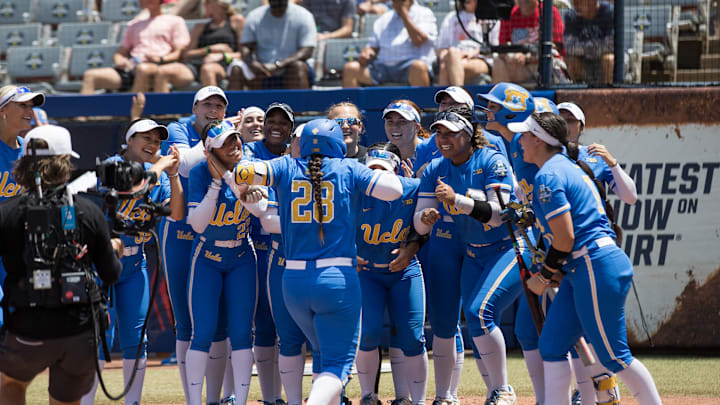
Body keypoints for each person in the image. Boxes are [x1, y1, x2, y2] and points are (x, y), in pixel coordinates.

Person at [229, 118, 403, 405]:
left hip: (294, 282)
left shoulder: (284, 166)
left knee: (323, 352)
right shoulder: (348, 168)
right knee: (339, 365)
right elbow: (393, 190)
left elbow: (244, 172)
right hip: (336, 279)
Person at [509, 112, 662, 405]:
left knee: (614, 355)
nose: (521, 141)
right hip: (584, 265)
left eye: (526, 135)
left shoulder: (548, 175)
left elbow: (565, 238)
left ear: (540, 141)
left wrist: (544, 276)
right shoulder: (564, 165)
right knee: (552, 345)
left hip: (594, 263)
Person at [414, 104, 528, 404]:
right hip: (473, 253)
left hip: (508, 249)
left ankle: (504, 390)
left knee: (480, 312)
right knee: (473, 319)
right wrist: (424, 218)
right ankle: (490, 393)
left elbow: (498, 215)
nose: (442, 138)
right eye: (438, 132)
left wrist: (458, 200)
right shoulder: (437, 168)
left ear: (468, 133)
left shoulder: (491, 159)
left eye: (450, 132)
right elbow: (419, 220)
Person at [0, 125, 122, 405]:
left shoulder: (7, 214)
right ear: (64, 163)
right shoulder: (88, 211)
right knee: (66, 398)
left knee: (11, 383)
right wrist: (114, 249)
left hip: (26, 329)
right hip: (79, 330)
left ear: (23, 165)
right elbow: (111, 274)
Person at [82, 119, 184, 405]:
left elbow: (176, 214)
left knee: (136, 338)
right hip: (100, 261)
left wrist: (173, 176)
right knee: (101, 334)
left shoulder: (160, 174)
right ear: (129, 140)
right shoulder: (113, 164)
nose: (153, 144)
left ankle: (133, 402)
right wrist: (162, 166)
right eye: (146, 137)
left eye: (157, 139)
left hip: (135, 261)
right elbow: (131, 189)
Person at [159, 85, 236, 404]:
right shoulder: (179, 127)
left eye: (220, 105)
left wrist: (231, 134)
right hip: (179, 231)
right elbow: (186, 163)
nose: (213, 110)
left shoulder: (228, 132)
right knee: (185, 321)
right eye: (207, 104)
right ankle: (192, 396)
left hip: (215, 230)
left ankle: (222, 397)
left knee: (222, 319)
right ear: (195, 107)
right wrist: (228, 133)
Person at [184, 123, 266, 405]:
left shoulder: (251, 168)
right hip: (207, 256)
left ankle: (240, 401)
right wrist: (217, 183)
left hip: (242, 255)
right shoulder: (199, 173)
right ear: (210, 151)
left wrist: (234, 182)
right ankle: (195, 401)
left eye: (234, 138)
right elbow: (197, 224)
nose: (234, 145)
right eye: (225, 142)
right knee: (203, 332)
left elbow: (261, 211)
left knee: (242, 332)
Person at [355, 142, 428, 405]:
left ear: (396, 172)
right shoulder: (354, 192)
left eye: (384, 172)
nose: (379, 178)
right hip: (367, 273)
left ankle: (415, 400)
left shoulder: (413, 189)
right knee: (367, 333)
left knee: (412, 334)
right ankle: (368, 395)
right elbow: (333, 227)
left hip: (404, 271)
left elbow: (424, 229)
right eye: (373, 171)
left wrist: (413, 246)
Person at [242, 101, 295, 405]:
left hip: (290, 249)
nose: (276, 126)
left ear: (291, 127)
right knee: (264, 322)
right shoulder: (250, 155)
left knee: (293, 326)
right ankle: (272, 397)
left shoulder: (297, 157)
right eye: (270, 120)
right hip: (255, 249)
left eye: (283, 121)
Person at [0, 85, 45, 330]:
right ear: (3, 110)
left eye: (31, 106)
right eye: (22, 105)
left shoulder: (30, 153)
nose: (30, 111)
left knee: (20, 325)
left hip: (18, 253)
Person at [80, 0, 191, 94]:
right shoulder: (133, 24)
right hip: (131, 68)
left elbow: (179, 53)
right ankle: (82, 117)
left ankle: (133, 114)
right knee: (90, 75)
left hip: (160, 65)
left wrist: (160, 59)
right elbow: (121, 52)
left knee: (143, 69)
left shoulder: (176, 21)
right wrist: (120, 61)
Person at [342, 0, 437, 87]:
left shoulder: (424, 13)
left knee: (419, 67)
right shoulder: (384, 18)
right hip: (383, 67)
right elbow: (373, 46)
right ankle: (350, 105)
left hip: (410, 67)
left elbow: (418, 40)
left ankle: (422, 105)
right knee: (351, 68)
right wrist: (367, 52)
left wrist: (403, 13)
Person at [228, 0, 317, 90]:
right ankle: (239, 103)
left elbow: (307, 50)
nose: (277, 4)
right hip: (262, 70)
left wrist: (279, 65)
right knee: (236, 69)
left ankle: (298, 103)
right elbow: (245, 47)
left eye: (280, 2)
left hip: (290, 68)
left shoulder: (304, 15)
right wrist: (254, 64)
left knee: (298, 67)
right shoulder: (254, 16)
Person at [164, 0, 245, 88]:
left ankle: (212, 101)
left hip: (222, 65)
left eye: (207, 2)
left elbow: (244, 54)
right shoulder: (199, 27)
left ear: (218, 3)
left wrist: (223, 56)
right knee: (163, 72)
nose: (203, 4)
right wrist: (209, 49)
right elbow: (186, 55)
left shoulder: (236, 21)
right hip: (194, 67)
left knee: (207, 69)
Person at [493, 0, 565, 84]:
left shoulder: (550, 11)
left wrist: (527, 58)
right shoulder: (510, 14)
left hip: (541, 64)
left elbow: (556, 48)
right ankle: (502, 95)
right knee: (497, 61)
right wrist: (510, 57)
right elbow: (502, 48)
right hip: (516, 65)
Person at [436, 0, 499, 86]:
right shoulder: (452, 17)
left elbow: (495, 47)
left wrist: (473, 53)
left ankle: (454, 96)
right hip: (454, 57)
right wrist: (446, 54)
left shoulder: (490, 18)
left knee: (446, 67)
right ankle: (457, 95)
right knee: (451, 56)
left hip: (480, 59)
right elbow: (441, 48)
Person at [563, 0, 614, 84]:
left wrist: (583, 47)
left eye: (580, 1)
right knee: (571, 59)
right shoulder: (571, 15)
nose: (576, 5)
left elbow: (611, 45)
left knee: (608, 59)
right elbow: (569, 47)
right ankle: (578, 92)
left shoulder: (609, 11)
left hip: (607, 60)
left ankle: (607, 94)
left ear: (592, 1)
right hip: (586, 60)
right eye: (574, 1)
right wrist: (597, 45)